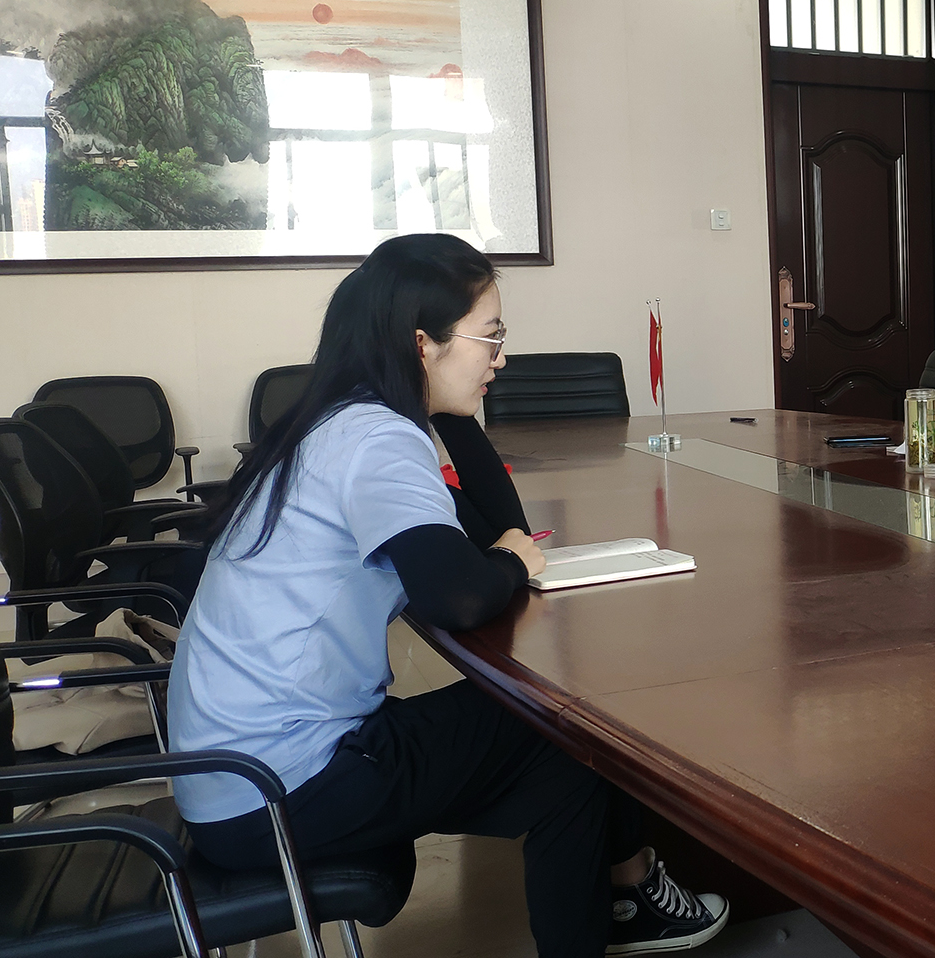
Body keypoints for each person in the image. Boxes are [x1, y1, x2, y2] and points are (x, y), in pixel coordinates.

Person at [166, 234, 728, 956]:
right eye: (490, 337)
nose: (501, 358)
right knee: (572, 735)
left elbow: (497, 530)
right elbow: (458, 595)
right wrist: (510, 562)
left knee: (553, 741)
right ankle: (626, 897)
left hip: (233, 775)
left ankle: (624, 894)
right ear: (421, 342)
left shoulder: (341, 418)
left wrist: (451, 408)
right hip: (278, 788)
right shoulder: (377, 439)